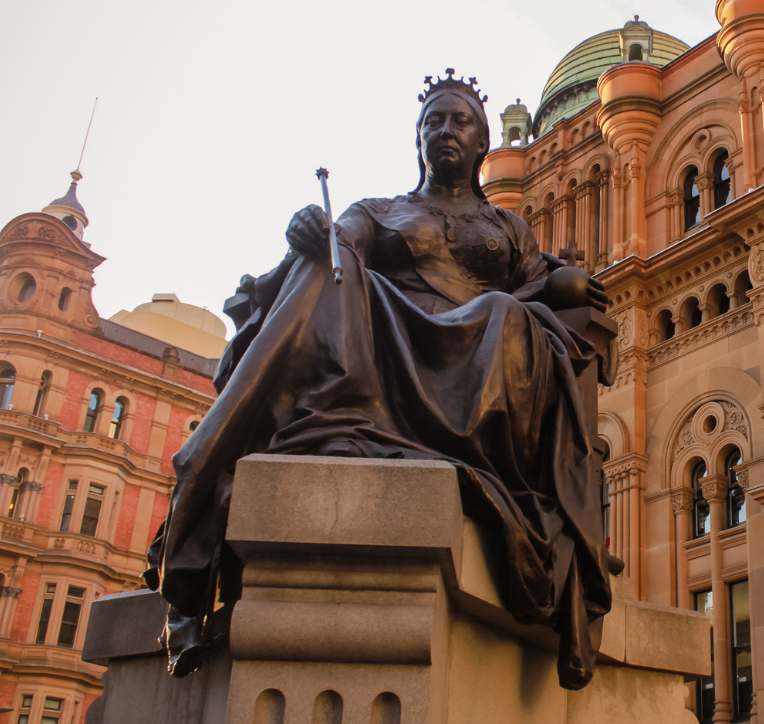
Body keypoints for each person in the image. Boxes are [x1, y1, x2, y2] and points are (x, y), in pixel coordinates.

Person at [145, 73, 614, 690]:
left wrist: (567, 284)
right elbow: (345, 244)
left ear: (481, 147)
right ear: (418, 140)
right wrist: (311, 232)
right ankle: (210, 469)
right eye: (434, 123)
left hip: (481, 352)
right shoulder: (380, 210)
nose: (446, 131)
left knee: (501, 312)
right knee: (323, 266)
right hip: (389, 341)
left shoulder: (509, 227)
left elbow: (534, 279)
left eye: (460, 122)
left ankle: (295, 444)